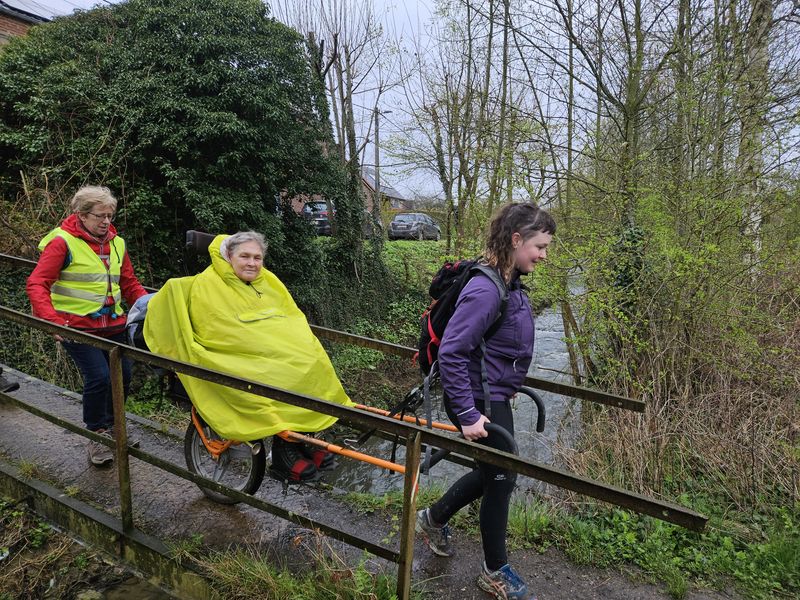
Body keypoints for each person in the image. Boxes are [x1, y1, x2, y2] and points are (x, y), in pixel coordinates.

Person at [415, 203, 555, 600]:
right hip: (477, 402)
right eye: (539, 246)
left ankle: (433, 518)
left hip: (492, 395)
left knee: (496, 473)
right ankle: (494, 570)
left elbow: (494, 345)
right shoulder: (485, 287)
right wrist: (467, 413)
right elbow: (454, 353)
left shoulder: (507, 281)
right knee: (501, 477)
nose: (543, 255)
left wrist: (508, 381)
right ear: (516, 240)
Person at [143, 231, 354, 481]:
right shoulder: (208, 283)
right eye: (244, 256)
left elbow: (291, 317)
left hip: (276, 348)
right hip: (239, 354)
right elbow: (218, 328)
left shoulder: (269, 281)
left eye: (257, 257)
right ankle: (284, 444)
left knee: (313, 361)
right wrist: (260, 344)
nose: (252, 263)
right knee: (273, 373)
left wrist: (287, 343)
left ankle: (307, 434)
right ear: (229, 257)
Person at [27, 185, 148, 467]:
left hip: (114, 324)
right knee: (99, 377)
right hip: (76, 326)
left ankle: (116, 429)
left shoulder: (117, 242)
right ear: (81, 215)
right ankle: (97, 434)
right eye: (99, 216)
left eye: (110, 215)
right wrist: (53, 321)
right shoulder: (62, 242)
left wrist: (149, 307)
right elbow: (37, 283)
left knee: (123, 376)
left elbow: (129, 283)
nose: (106, 221)